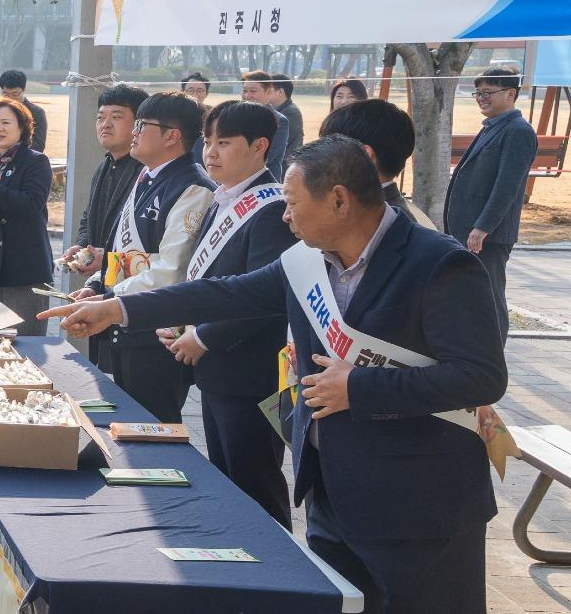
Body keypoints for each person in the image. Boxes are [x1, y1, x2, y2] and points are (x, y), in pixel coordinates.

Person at [41, 135, 508, 614]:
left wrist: (359, 386)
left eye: (293, 203)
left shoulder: (441, 264)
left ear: (340, 201)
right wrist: (117, 308)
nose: (285, 216)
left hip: (422, 507)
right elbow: (223, 294)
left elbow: (480, 377)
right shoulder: (306, 261)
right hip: (333, 494)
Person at [163, 100, 295, 527]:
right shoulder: (224, 199)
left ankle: (278, 578)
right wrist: (183, 319)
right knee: (227, 479)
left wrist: (204, 337)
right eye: (207, 141)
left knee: (254, 481)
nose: (211, 153)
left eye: (224, 142)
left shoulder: (272, 208)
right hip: (219, 372)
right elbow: (208, 279)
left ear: (260, 146)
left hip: (250, 373)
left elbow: (263, 297)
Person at [73, 92, 213, 423]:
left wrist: (108, 298)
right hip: (125, 323)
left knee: (154, 428)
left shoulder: (193, 187)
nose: (133, 131)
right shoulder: (146, 175)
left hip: (157, 335)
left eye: (141, 124)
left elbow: (171, 271)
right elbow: (119, 248)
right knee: (127, 426)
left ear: (172, 135)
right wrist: (95, 285)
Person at [444, 66, 538, 347]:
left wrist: (482, 227)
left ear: (511, 93)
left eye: (488, 92)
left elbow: (506, 188)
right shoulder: (494, 126)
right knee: (471, 292)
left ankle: (492, 354)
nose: (481, 98)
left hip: (488, 236)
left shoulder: (518, 131)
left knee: (490, 295)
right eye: (478, 93)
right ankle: (472, 348)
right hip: (470, 231)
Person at [59, 86, 149, 319]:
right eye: (101, 117)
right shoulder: (105, 165)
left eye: (117, 117)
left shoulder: (147, 171)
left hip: (137, 294)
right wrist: (82, 245)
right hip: (105, 281)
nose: (105, 124)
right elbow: (90, 215)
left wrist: (109, 261)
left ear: (139, 124)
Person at [0, 99, 51, 335]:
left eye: (6, 122)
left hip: (25, 270)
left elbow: (32, 205)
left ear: (22, 128)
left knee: (26, 344)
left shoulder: (36, 161)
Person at [318, 98, 425, 223]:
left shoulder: (370, 220)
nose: (321, 157)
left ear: (365, 155)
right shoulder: (391, 212)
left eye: (328, 148)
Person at [241, 70, 290, 178]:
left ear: (269, 92)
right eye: (244, 91)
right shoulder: (236, 117)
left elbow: (267, 156)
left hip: (264, 184)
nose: (247, 95)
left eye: (253, 91)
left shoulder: (279, 121)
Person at [0, 69, 49, 153]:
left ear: (24, 89)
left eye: (15, 94)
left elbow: (38, 145)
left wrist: (12, 155)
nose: (10, 98)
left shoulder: (37, 112)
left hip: (26, 162)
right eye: (5, 94)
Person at [269, 73, 306, 174]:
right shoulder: (276, 110)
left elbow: (279, 145)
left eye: (269, 90)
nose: (266, 92)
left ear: (280, 91)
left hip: (285, 169)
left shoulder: (290, 113)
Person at [182, 72, 211, 165]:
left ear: (206, 93)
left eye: (200, 90)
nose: (195, 94)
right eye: (190, 90)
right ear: (182, 92)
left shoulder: (213, 114)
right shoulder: (174, 114)